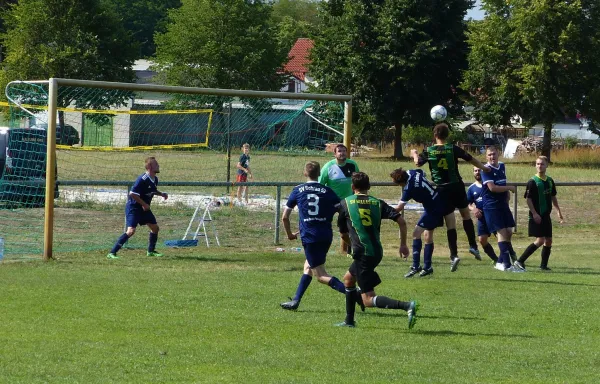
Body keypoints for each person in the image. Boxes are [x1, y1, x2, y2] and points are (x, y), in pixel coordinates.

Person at [336, 172, 418, 329]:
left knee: (367, 299)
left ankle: (407, 306)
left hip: (362, 253)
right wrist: (403, 245)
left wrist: (351, 246)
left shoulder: (345, 203)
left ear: (352, 187)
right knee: (348, 279)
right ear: (369, 187)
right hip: (376, 251)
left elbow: (342, 233)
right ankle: (349, 321)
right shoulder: (378, 203)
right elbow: (401, 221)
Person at [412, 123, 491, 266]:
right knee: (466, 215)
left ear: (435, 135)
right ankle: (473, 246)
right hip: (457, 186)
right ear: (447, 135)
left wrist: (414, 153)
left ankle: (454, 255)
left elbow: (418, 163)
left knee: (450, 223)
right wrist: (484, 168)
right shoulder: (453, 148)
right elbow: (470, 158)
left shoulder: (429, 151)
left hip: (442, 190)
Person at [279, 161, 353, 310]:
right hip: (326, 235)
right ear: (319, 174)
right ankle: (296, 300)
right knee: (308, 266)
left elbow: (285, 217)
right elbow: (343, 211)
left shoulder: (298, 190)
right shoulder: (327, 191)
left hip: (309, 236)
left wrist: (289, 234)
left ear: (305, 173)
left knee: (320, 275)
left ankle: (354, 294)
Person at [390, 168, 457, 277]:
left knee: (416, 233)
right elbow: (422, 172)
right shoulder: (412, 172)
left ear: (401, 182)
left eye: (398, 184)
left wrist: (383, 210)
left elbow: (399, 208)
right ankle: (427, 267)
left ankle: (415, 266)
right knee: (427, 236)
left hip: (433, 209)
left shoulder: (408, 189)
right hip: (436, 201)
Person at [107, 157, 168, 259]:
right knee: (131, 231)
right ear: (149, 167)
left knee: (155, 228)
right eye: (156, 164)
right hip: (134, 208)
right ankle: (112, 253)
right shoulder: (142, 179)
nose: (158, 166)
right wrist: (144, 204)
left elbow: (152, 190)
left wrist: (161, 194)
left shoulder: (155, 179)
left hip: (144, 209)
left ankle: (151, 251)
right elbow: (133, 194)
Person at [513, 156, 564, 271]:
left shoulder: (550, 181)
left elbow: (553, 196)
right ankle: (519, 261)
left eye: (542, 164)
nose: (539, 166)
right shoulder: (533, 182)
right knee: (540, 240)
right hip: (536, 216)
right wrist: (535, 214)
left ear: (547, 165)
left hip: (546, 216)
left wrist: (558, 211)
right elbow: (528, 199)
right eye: (537, 164)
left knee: (548, 240)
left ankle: (543, 266)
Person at [479, 147, 521, 272]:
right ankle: (507, 266)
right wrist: (510, 188)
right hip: (492, 206)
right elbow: (492, 188)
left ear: (499, 154)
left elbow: (502, 182)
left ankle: (500, 262)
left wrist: (506, 194)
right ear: (486, 157)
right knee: (502, 233)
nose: (492, 157)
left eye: (494, 154)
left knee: (508, 232)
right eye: (489, 155)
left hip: (502, 204)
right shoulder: (485, 169)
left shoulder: (502, 166)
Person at [318, 144, 359, 254]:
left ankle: (352, 250)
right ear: (334, 154)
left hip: (348, 202)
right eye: (339, 151)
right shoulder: (328, 167)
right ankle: (321, 248)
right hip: (332, 202)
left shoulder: (353, 164)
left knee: (349, 229)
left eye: (344, 151)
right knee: (324, 225)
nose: (342, 153)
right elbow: (320, 184)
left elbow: (357, 182)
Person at [466, 167, 499, 264]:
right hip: (482, 217)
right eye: (475, 171)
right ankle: (496, 259)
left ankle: (508, 257)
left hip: (493, 215)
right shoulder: (471, 188)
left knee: (501, 237)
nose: (477, 172)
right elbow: (468, 204)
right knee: (482, 239)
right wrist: (474, 209)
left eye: (479, 170)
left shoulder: (490, 184)